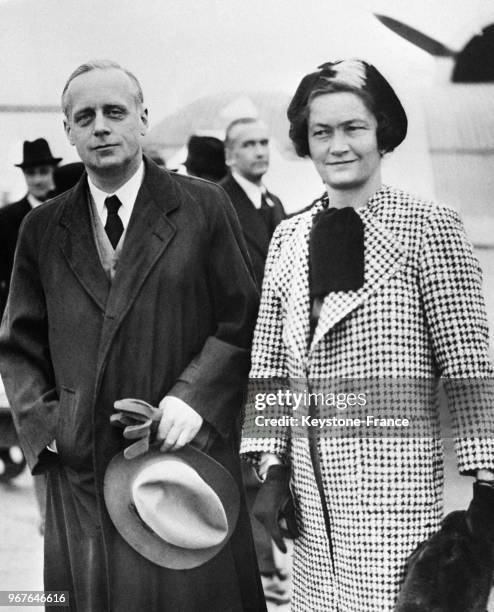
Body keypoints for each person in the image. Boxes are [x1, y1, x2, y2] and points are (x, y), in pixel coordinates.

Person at [0, 59, 265, 612]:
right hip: (84, 471)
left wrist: (197, 397)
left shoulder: (201, 207)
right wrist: (50, 430)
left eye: (115, 112)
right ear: (68, 131)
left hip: (183, 463)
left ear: (143, 120)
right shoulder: (42, 229)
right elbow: (19, 345)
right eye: (85, 116)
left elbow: (243, 321)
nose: (101, 126)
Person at [240, 59, 494, 611]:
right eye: (321, 132)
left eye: (354, 127)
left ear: (383, 131)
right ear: (305, 144)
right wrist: (270, 467)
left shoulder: (430, 227)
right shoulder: (286, 238)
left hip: (394, 498)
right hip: (309, 502)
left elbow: (469, 366)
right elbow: (268, 366)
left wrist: (487, 487)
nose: (338, 145)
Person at [220, 118, 286, 289]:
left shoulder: (275, 202)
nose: (260, 152)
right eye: (248, 145)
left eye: (264, 143)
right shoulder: (217, 202)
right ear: (229, 155)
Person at [0, 138, 61, 316]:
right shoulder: (6, 218)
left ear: (54, 172)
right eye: (31, 173)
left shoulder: (68, 211)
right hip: (22, 312)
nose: (37, 179)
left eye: (43, 172)